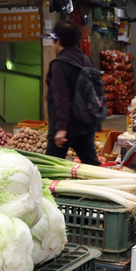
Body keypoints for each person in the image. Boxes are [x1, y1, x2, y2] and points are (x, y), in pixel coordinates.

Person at [45, 20, 101, 165]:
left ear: (58, 41)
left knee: (50, 165)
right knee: (92, 165)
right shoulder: (87, 61)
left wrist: (61, 128)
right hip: (85, 124)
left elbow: (61, 97)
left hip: (67, 127)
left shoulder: (58, 64)